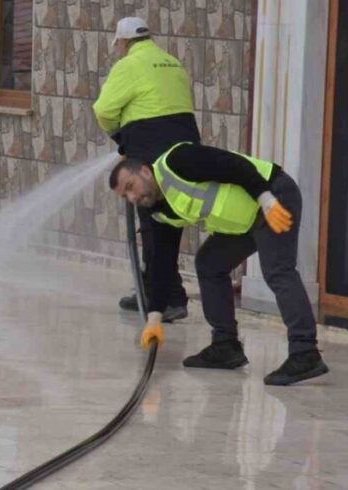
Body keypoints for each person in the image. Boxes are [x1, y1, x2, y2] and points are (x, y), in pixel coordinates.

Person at [110, 142, 329, 386]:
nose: (133, 197)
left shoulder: (178, 161)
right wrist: (154, 317)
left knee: (278, 270)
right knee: (209, 263)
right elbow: (162, 263)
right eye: (125, 196)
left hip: (272, 195)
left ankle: (305, 352)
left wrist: (266, 199)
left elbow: (235, 165)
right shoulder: (159, 213)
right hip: (246, 221)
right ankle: (225, 346)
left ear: (145, 171)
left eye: (131, 187)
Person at [93, 17, 199, 322]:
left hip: (150, 153)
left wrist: (120, 137)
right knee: (168, 224)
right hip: (185, 153)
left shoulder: (128, 65)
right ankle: (165, 292)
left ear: (124, 42)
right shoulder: (171, 62)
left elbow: (103, 110)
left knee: (153, 227)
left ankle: (163, 299)